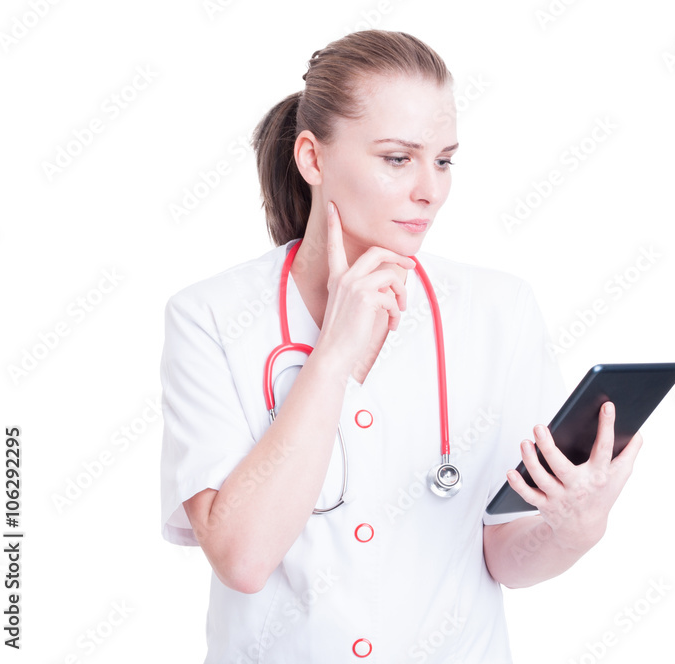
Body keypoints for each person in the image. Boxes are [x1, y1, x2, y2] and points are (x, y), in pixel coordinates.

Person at [159, 29, 643, 663]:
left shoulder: (499, 311)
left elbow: (504, 555)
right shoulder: (210, 318)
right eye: (397, 158)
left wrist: (576, 526)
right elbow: (242, 559)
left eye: (443, 161)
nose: (430, 191)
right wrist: (333, 357)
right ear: (312, 159)